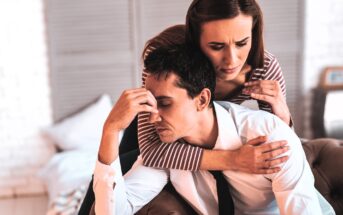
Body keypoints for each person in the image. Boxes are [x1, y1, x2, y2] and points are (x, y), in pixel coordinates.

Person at [93, 44, 328, 214]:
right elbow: (112, 212)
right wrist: (110, 130)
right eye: (150, 105)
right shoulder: (166, 152)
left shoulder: (268, 137)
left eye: (164, 103)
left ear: (202, 100)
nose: (153, 117)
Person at [138, 0, 293, 173]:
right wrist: (234, 159)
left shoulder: (263, 68)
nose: (232, 60)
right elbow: (150, 151)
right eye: (216, 47)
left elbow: (281, 145)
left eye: (241, 43)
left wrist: (284, 116)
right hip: (161, 128)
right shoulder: (166, 62)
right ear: (195, 41)